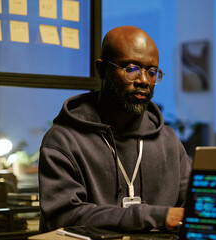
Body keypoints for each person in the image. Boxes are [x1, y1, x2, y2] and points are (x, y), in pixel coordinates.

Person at [38, 26, 192, 232]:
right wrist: (156, 216)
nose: (144, 81)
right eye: (131, 69)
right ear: (101, 70)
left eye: (152, 72)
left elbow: (195, 205)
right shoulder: (63, 140)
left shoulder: (168, 140)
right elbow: (64, 216)